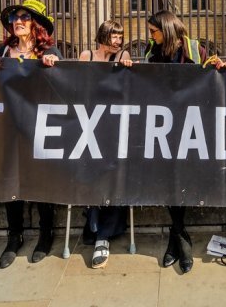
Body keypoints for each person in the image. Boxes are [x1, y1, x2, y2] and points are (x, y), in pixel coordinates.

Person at [144, 9, 226, 274]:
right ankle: (180, 235)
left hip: (192, 126)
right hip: (165, 127)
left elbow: (215, 75)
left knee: (185, 179)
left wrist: (222, 67)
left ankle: (177, 237)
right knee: (170, 179)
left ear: (167, 30)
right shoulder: (153, 54)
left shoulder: (196, 50)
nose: (150, 36)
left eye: (153, 31)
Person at [0, 0, 61, 268]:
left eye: (25, 17)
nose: (18, 21)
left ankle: (45, 234)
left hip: (39, 128)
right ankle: (14, 237)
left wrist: (54, 65)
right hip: (8, 127)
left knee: (41, 183)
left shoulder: (49, 50)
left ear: (36, 24)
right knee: (9, 181)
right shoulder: (2, 51)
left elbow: (62, 85)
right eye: (14, 17)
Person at [78, 20, 133, 268]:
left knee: (113, 177)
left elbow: (127, 87)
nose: (118, 41)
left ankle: (103, 236)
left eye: (121, 37)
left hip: (115, 127)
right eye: (114, 36)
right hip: (89, 126)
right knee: (92, 177)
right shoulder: (87, 55)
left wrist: (127, 69)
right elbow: (75, 86)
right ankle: (93, 223)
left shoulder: (123, 55)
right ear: (103, 35)